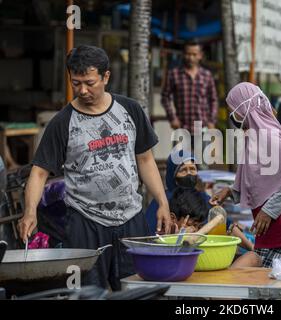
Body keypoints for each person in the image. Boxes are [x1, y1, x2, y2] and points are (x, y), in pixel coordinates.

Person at [17, 45, 171, 290]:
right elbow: (39, 172)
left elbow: (145, 160)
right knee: (87, 293)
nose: (82, 90)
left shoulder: (130, 110)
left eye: (89, 82)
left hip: (131, 219)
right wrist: (30, 212)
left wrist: (162, 202)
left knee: (138, 290)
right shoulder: (62, 122)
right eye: (75, 83)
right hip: (84, 222)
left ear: (106, 76)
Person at [210, 82, 281, 268]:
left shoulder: (269, 136)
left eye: (233, 110)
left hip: (280, 223)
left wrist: (269, 211)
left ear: (244, 108)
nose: (232, 116)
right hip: (267, 224)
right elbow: (256, 177)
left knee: (253, 274)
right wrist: (231, 191)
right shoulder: (254, 136)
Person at [145, 150, 210, 235]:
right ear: (173, 175)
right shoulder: (162, 200)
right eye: (183, 170)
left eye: (192, 169)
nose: (189, 173)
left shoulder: (203, 198)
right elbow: (150, 233)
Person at [161, 41, 219, 136]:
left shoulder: (207, 75)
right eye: (188, 54)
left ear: (200, 55)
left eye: (194, 54)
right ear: (184, 54)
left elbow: (213, 99)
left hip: (203, 129)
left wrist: (211, 121)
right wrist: (172, 118)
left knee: (203, 151)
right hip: (182, 129)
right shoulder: (174, 74)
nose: (191, 58)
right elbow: (165, 97)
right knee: (180, 152)